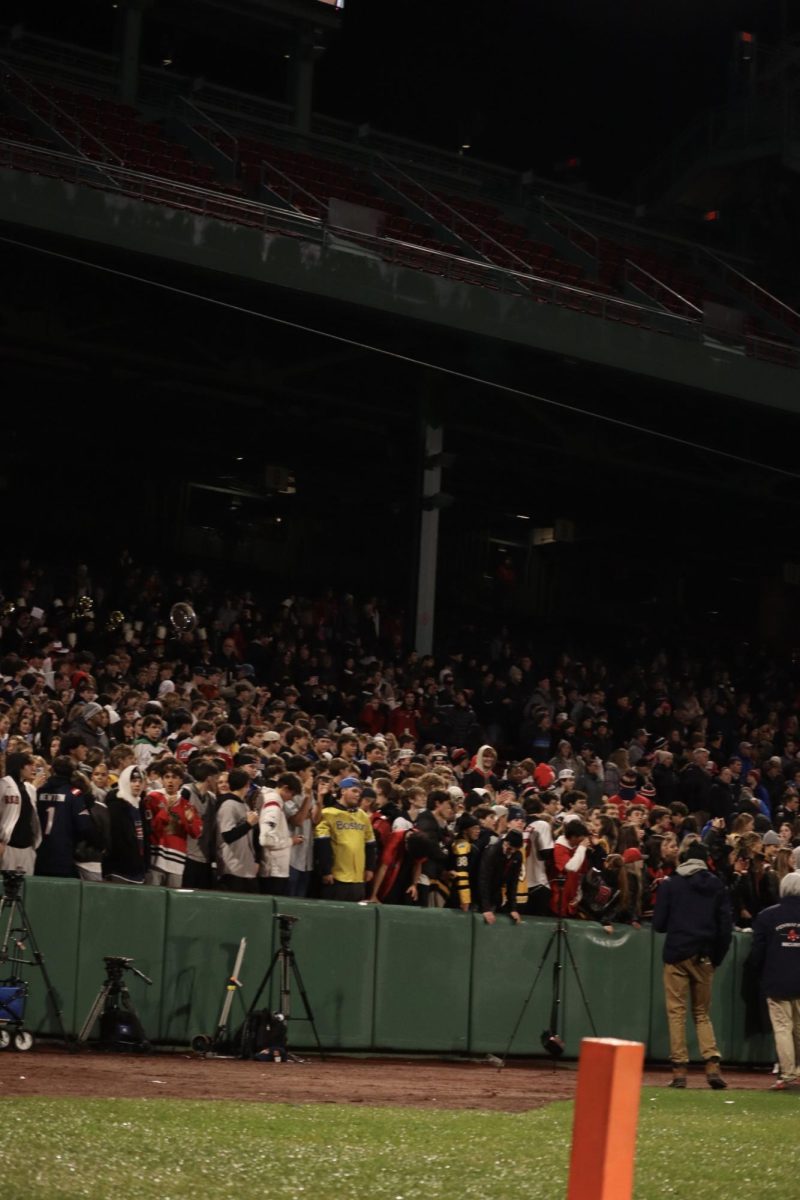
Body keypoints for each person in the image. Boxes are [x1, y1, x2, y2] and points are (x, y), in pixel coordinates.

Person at [652, 841, 733, 1089]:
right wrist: (716, 958)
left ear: (684, 859)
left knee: (677, 1013)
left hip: (677, 954)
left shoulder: (671, 884)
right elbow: (725, 929)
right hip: (705, 956)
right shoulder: (717, 885)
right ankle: (711, 1064)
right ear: (706, 860)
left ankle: (679, 1071)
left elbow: (659, 924)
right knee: (701, 1014)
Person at [750, 872, 800, 1090]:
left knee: (782, 1028)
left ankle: (788, 1075)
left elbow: (757, 953)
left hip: (777, 979)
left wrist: (757, 972)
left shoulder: (767, 916)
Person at [315, 776, 376, 901]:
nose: (358, 795)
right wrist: (326, 871)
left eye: (359, 792)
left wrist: (370, 868)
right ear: (343, 791)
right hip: (337, 878)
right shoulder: (328, 813)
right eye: (354, 791)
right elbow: (322, 844)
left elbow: (370, 844)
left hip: (358, 879)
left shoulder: (363, 816)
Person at [216, 767, 260, 892]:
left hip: (246, 868)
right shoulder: (228, 805)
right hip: (232, 869)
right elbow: (227, 835)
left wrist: (255, 860)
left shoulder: (243, 804)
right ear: (247, 784)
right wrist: (248, 824)